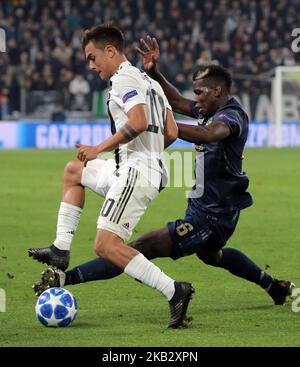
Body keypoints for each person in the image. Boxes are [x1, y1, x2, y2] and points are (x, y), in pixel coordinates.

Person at [33, 36, 294, 309]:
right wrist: (154, 71)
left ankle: (66, 280)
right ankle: (273, 286)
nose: (196, 100)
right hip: (208, 207)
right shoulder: (209, 109)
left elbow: (208, 134)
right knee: (212, 255)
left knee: (139, 246)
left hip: (213, 213)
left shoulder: (232, 116)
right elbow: (178, 102)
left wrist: (157, 128)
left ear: (217, 91)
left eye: (200, 93)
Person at [28, 25, 195, 329]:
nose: (91, 65)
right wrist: (152, 151)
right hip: (132, 166)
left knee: (106, 245)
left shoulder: (125, 77)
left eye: (93, 58)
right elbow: (171, 131)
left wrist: (100, 148)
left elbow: (139, 121)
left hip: (136, 170)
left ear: (110, 51)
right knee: (73, 171)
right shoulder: (151, 83)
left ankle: (174, 291)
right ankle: (60, 249)